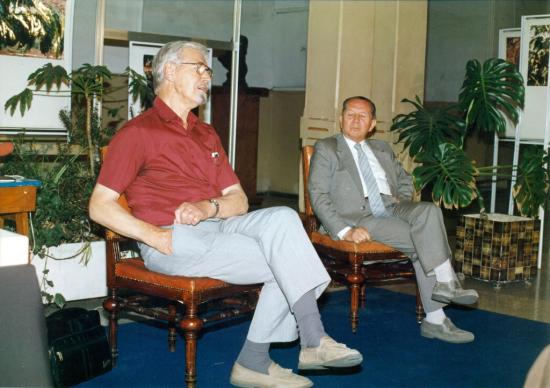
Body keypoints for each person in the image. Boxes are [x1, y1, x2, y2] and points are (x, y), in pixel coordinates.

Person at [89, 41, 362, 388]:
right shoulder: (138, 132)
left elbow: (239, 200)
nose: (207, 76)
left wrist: (208, 207)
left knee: (283, 218)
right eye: (199, 68)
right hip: (174, 238)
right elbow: (100, 204)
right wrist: (155, 236)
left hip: (220, 226)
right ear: (170, 72)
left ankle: (302, 345)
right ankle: (269, 355)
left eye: (208, 70)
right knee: (288, 260)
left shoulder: (206, 133)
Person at [308, 96, 479, 344]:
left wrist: (403, 198)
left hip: (390, 207)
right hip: (358, 217)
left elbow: (405, 179)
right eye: (350, 114)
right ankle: (437, 315)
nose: (355, 120)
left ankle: (444, 286)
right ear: (341, 118)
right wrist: (345, 230)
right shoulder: (328, 148)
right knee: (421, 238)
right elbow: (318, 194)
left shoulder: (382, 149)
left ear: (372, 123)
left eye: (362, 116)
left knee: (430, 211)